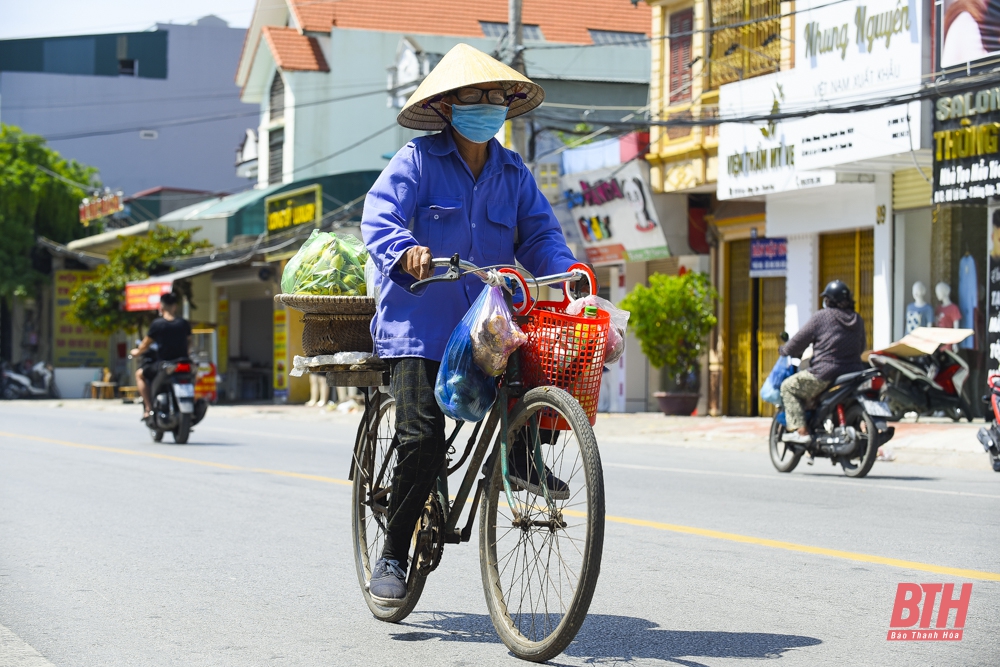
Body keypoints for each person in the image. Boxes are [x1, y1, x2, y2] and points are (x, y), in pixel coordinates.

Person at [360, 43, 578, 605]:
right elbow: (379, 215)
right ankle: (393, 549)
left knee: (542, 359)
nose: (485, 104)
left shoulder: (513, 171)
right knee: (423, 441)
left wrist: (569, 271)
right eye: (473, 96)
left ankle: (525, 452)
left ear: (507, 104)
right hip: (420, 327)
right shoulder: (416, 160)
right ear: (449, 105)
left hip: (485, 324)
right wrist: (404, 249)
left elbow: (541, 236)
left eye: (494, 96)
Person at [778, 280, 866, 444]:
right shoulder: (857, 319)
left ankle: (801, 432)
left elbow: (799, 340)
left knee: (788, 387)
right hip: (854, 373)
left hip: (824, 374)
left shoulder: (822, 317)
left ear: (829, 300)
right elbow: (862, 347)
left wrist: (785, 350)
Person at [130, 292, 192, 420]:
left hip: (164, 364)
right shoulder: (183, 323)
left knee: (139, 374)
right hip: (183, 363)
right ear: (175, 306)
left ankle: (148, 408)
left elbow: (145, 344)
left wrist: (136, 352)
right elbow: (190, 342)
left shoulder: (157, 324)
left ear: (161, 307)